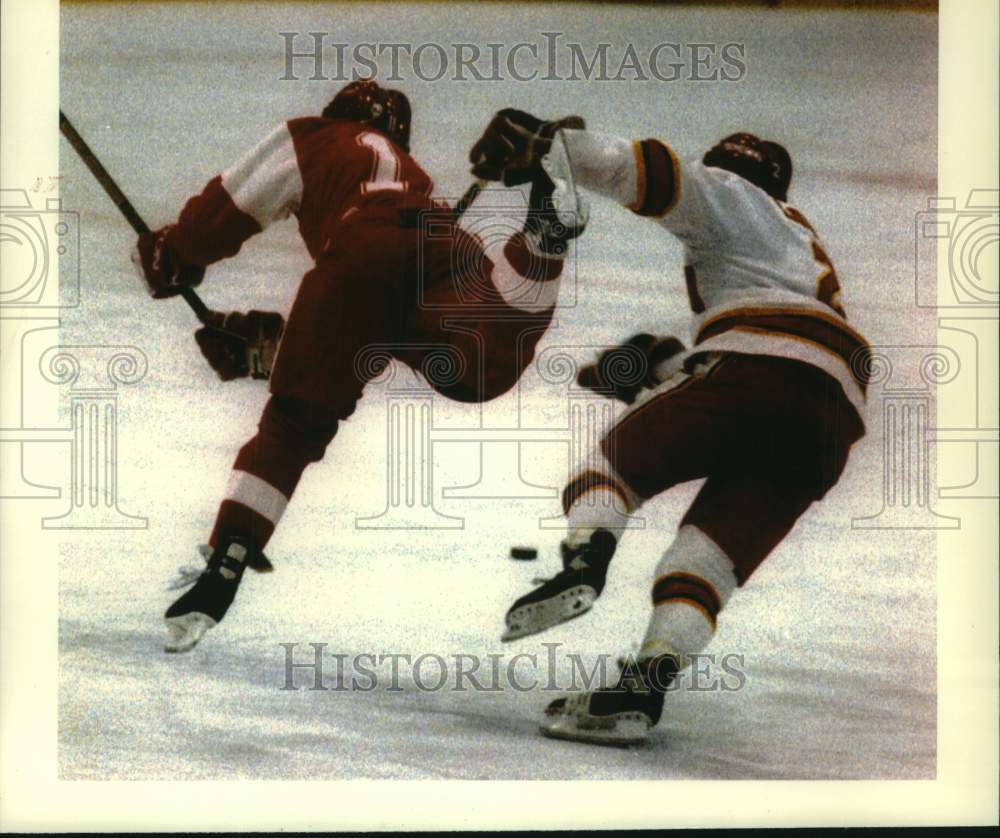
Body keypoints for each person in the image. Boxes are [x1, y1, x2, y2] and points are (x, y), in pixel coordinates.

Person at [133, 81, 585, 652]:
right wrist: (271, 347)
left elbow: (230, 208)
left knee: (296, 424)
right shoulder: (409, 174)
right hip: (439, 238)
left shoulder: (316, 138)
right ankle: (544, 240)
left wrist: (174, 254)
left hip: (361, 246)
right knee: (479, 368)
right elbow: (371, 327)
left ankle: (230, 556)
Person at [471, 113, 870, 746]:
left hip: (760, 368)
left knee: (611, 469)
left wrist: (554, 149)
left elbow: (650, 170)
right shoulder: (791, 243)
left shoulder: (733, 197)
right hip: (830, 419)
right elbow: (787, 364)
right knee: (706, 561)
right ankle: (642, 690)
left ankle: (585, 562)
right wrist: (662, 368)